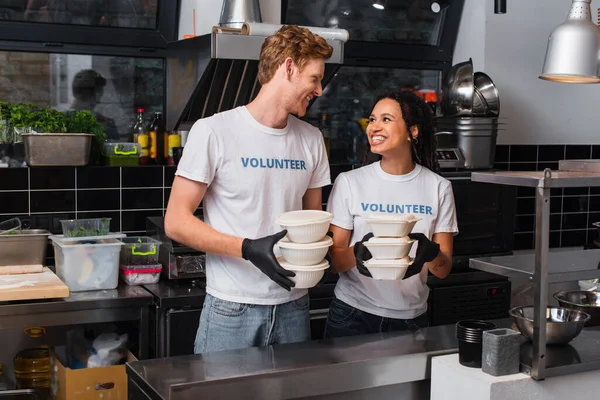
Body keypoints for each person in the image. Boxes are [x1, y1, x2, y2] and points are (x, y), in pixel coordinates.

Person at [164, 25, 333, 353]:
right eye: (314, 78)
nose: (320, 89)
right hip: (232, 308)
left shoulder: (311, 139)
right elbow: (176, 221)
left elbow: (314, 220)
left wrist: (319, 257)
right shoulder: (214, 131)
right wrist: (247, 248)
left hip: (294, 306)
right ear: (288, 67)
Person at [324, 90, 458, 338]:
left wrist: (430, 252)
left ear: (413, 131)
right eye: (372, 119)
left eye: (386, 119)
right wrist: (360, 253)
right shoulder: (350, 183)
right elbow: (334, 262)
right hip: (353, 314)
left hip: (411, 319)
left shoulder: (439, 187)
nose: (374, 127)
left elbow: (442, 269)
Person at [70, 69, 119, 140]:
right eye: (100, 92)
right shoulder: (106, 125)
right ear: (97, 93)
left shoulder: (62, 120)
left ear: (74, 92)